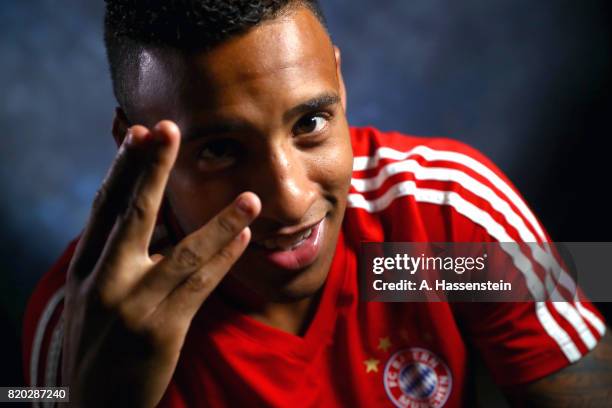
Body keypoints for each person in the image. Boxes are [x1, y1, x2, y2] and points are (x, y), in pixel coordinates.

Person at [22, 1, 612, 407]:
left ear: (338, 78)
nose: (291, 198)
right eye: (221, 150)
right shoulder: (90, 320)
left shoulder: (432, 229)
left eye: (309, 122)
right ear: (134, 146)